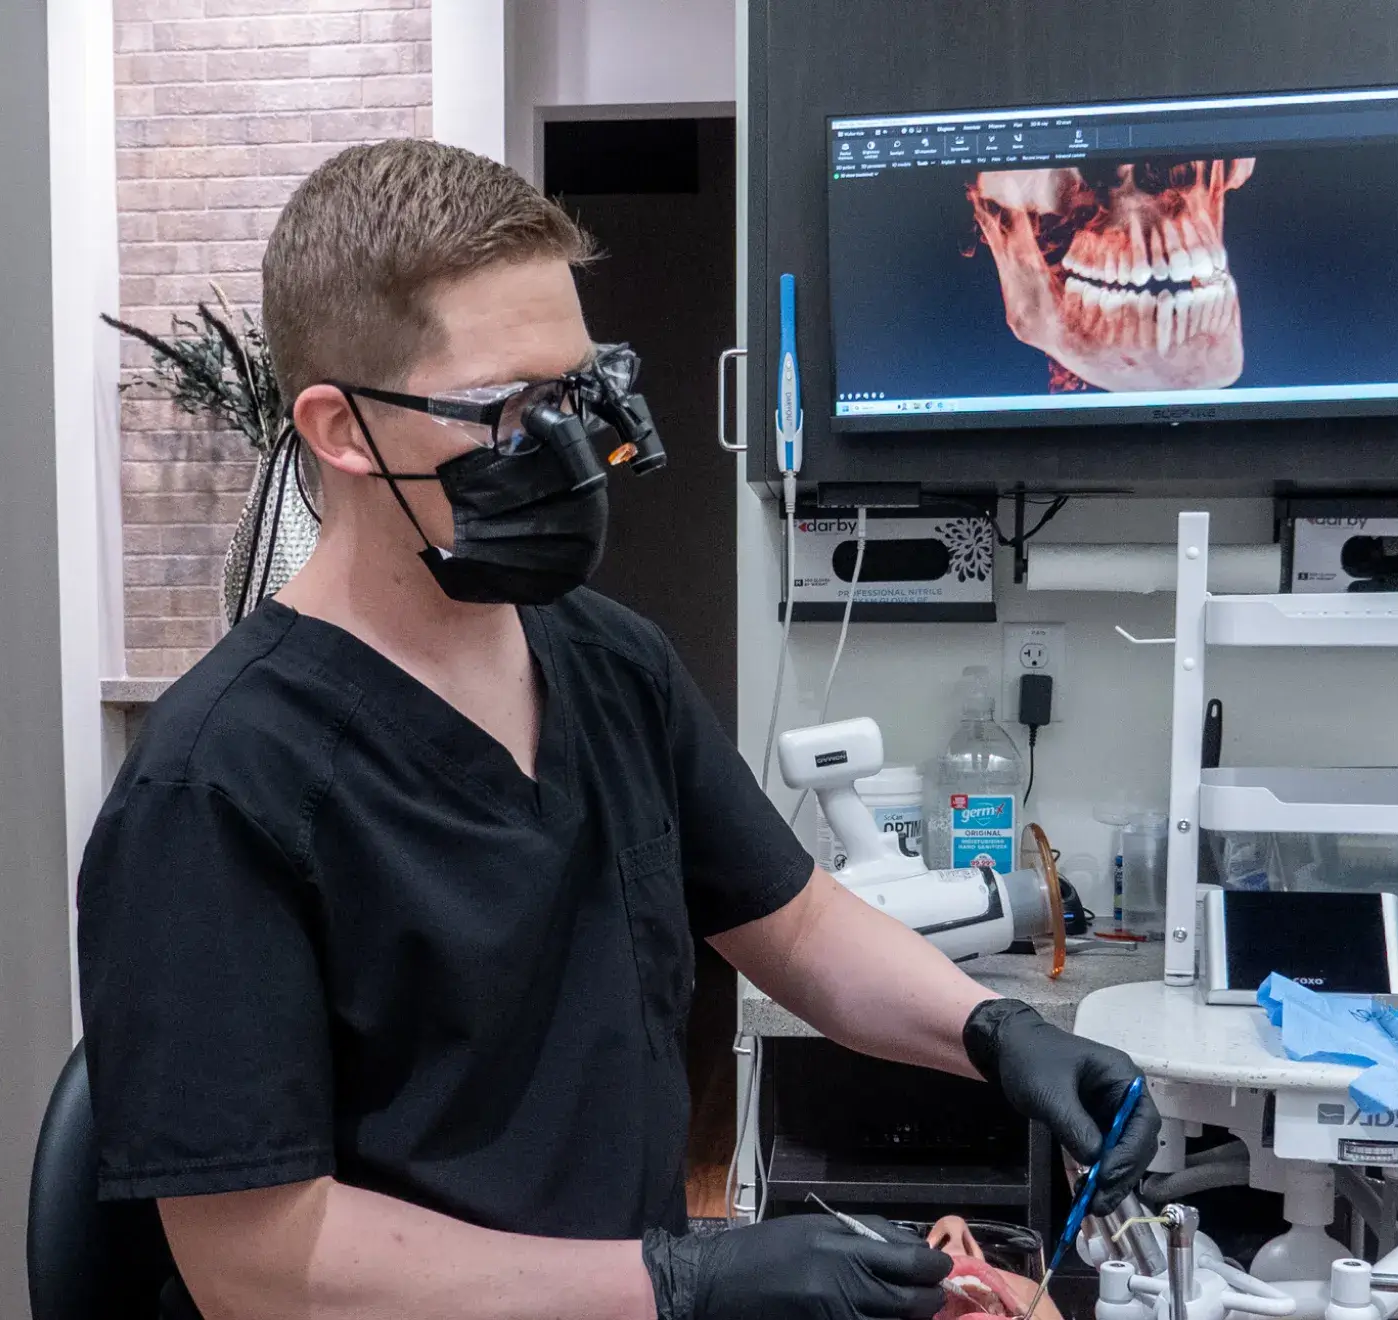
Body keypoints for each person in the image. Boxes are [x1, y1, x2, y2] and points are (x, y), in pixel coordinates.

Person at [77, 138, 1160, 1320]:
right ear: (342, 430)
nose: (575, 449)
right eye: (513, 411)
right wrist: (676, 1280)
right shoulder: (215, 787)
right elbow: (258, 1268)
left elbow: (789, 923)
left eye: (580, 393)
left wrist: (996, 1035)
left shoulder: (608, 661)